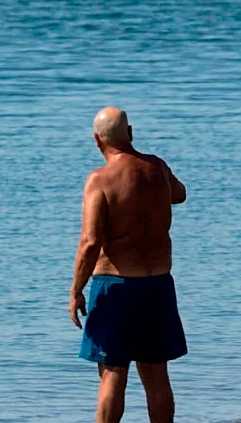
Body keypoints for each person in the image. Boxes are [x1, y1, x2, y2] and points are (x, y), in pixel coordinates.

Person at [72, 106, 189, 423]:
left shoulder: (99, 180)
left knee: (112, 375)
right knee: (156, 376)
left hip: (116, 287)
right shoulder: (158, 168)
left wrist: (75, 292)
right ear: (132, 133)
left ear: (97, 141)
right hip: (157, 285)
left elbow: (90, 242)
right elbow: (180, 195)